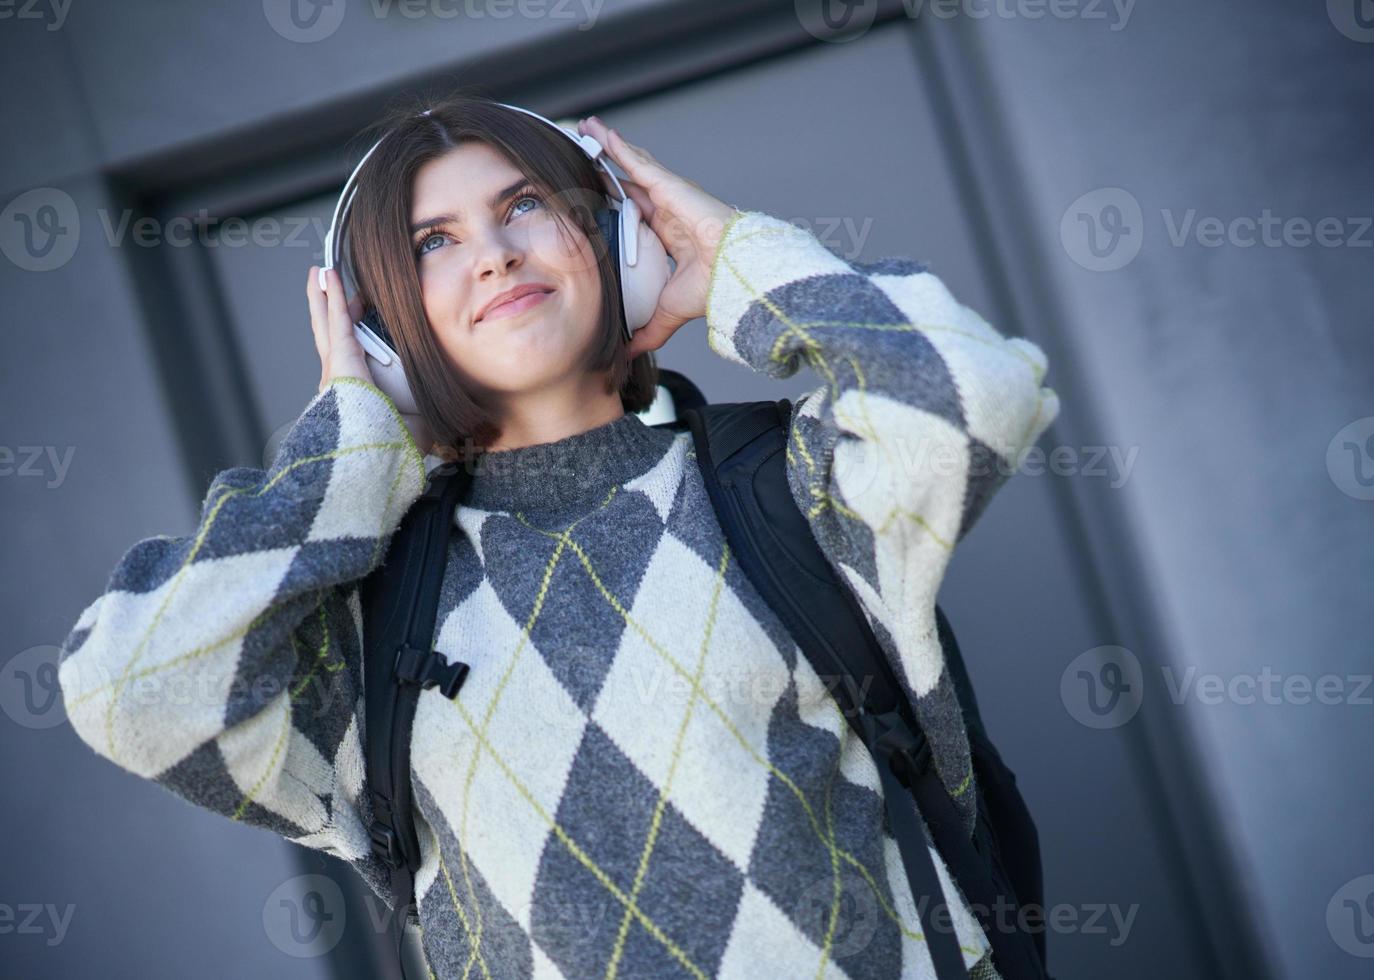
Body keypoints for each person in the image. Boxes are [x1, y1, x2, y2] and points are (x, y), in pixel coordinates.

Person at [57, 93, 1059, 979]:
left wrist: (731, 255)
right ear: (378, 332)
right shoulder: (361, 622)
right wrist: (348, 446)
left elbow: (974, 390)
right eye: (430, 242)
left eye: (524, 205)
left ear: (620, 238)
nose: (492, 252)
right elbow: (131, 688)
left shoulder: (799, 490)